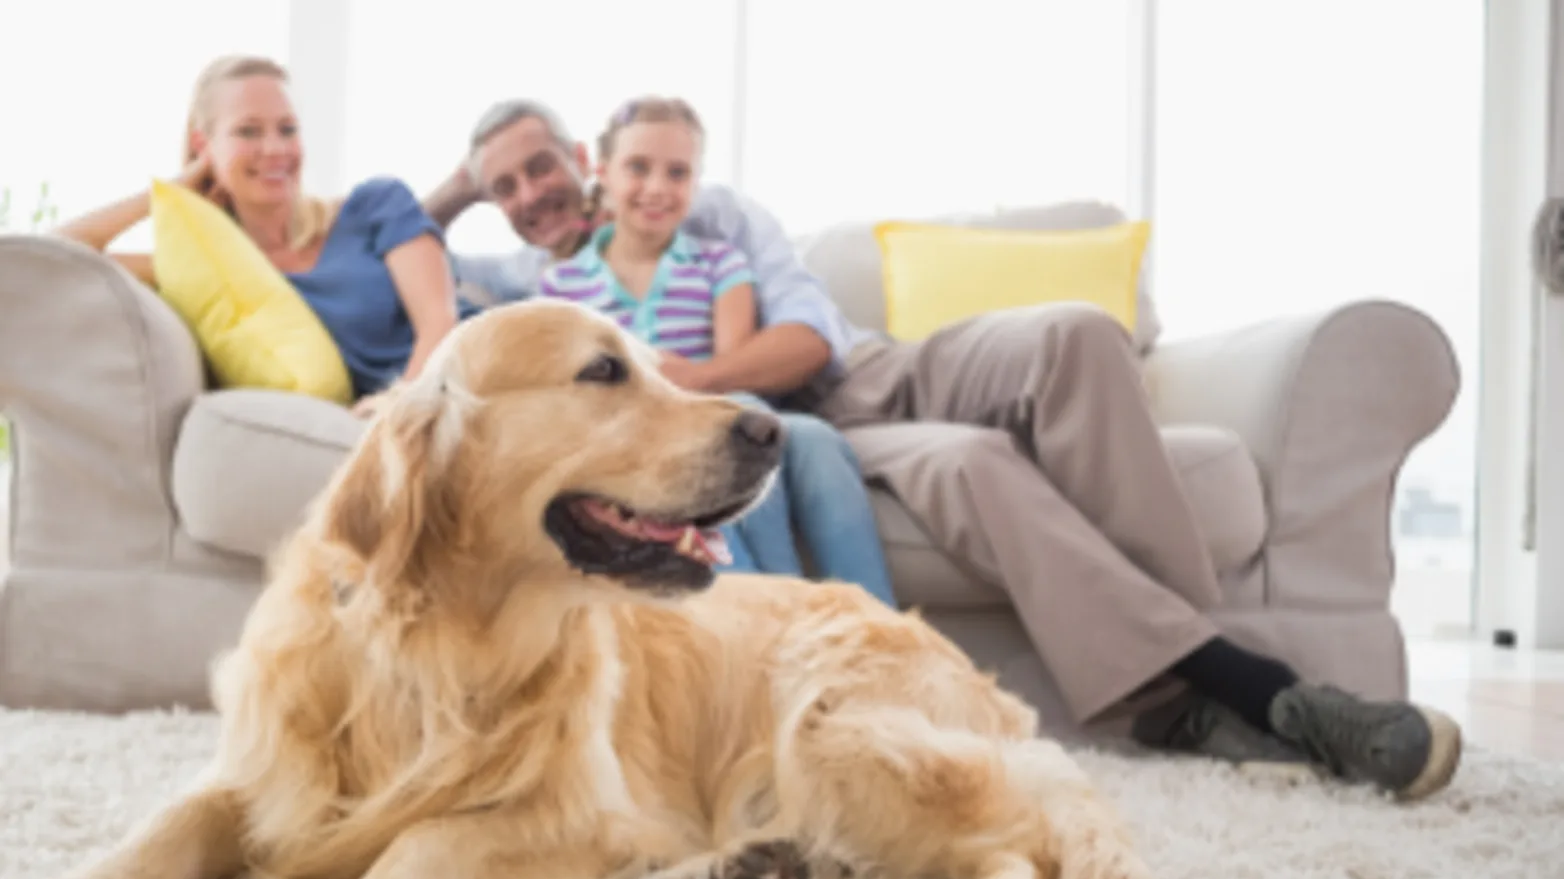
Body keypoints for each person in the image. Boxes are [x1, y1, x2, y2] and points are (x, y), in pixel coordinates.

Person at [421, 98, 1463, 801]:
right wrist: (455, 194)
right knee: (971, 470)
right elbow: (397, 248)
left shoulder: (708, 214)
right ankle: (1255, 691)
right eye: (502, 189)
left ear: (581, 159)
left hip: (875, 370)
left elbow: (805, 339)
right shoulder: (528, 286)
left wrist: (682, 382)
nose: (528, 197)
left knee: (1075, 334)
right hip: (832, 437)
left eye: (538, 169)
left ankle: (1197, 688)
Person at [536, 97, 898, 606]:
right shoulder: (561, 287)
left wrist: (693, 386)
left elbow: (733, 375)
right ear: (603, 172)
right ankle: (777, 612)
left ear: (697, 182)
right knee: (743, 428)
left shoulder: (719, 262)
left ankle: (879, 622)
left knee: (816, 439)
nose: (658, 188)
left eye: (678, 172)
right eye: (638, 167)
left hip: (720, 410)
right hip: (636, 438)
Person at [53, 55, 469, 415]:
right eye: (248, 131)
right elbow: (51, 259)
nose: (275, 149)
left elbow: (440, 322)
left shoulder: (374, 204)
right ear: (203, 146)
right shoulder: (213, 276)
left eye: (287, 129)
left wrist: (393, 412)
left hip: (467, 379)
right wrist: (168, 190)